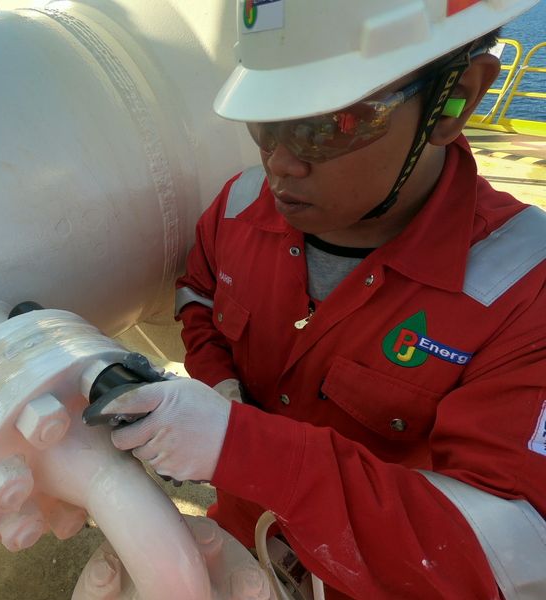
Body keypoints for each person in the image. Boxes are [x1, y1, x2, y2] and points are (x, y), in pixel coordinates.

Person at [97, 0, 546, 598]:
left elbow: (501, 556)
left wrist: (243, 447)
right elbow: (198, 296)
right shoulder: (238, 207)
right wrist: (219, 386)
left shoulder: (524, 289)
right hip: (237, 543)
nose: (280, 164)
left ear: (455, 100)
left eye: (328, 126)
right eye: (264, 123)